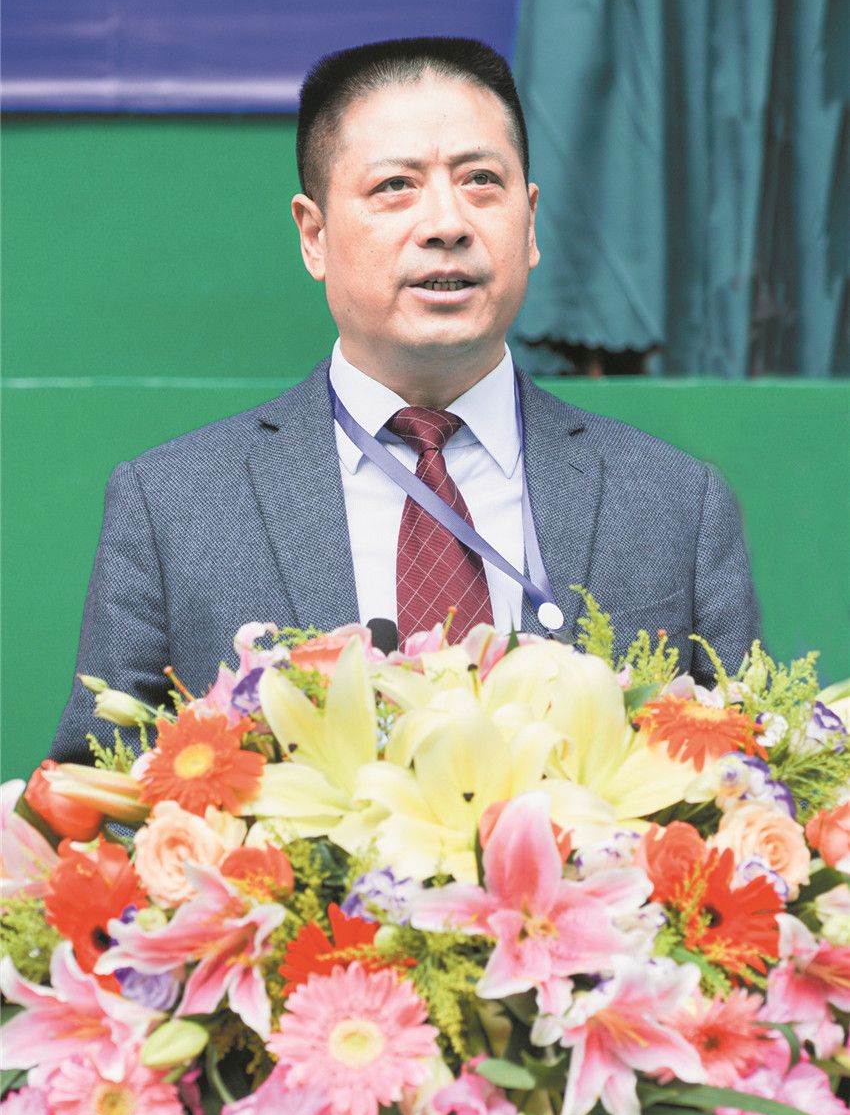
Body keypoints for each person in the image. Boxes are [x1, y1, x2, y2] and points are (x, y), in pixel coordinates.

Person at [52, 37, 759, 763]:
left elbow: (749, 781)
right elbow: (94, 795)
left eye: (481, 180)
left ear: (530, 221)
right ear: (314, 235)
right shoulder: (173, 507)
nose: (447, 224)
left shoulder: (675, 504)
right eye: (396, 185)